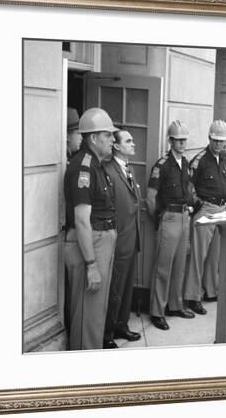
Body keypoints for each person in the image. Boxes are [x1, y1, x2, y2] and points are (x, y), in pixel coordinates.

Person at [63, 107, 118, 350]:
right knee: (87, 314)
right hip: (90, 244)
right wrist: (91, 265)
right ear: (94, 138)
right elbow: (82, 220)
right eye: (108, 135)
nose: (113, 140)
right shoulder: (84, 167)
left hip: (100, 240)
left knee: (96, 313)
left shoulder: (96, 164)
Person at [147, 121, 196, 331]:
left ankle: (175, 305)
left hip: (185, 217)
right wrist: (160, 220)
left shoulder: (185, 163)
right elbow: (150, 198)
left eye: (185, 139)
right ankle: (157, 311)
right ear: (171, 141)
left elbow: (189, 190)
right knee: (163, 268)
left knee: (179, 266)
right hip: (169, 218)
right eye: (179, 139)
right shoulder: (162, 165)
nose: (183, 143)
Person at [184, 120, 226, 314]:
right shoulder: (200, 160)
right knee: (198, 257)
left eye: (222, 141)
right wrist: (198, 205)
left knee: (214, 255)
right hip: (206, 209)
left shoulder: (225, 158)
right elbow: (188, 187)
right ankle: (193, 296)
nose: (219, 144)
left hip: (221, 209)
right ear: (209, 138)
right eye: (215, 140)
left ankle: (211, 290)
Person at [102, 130, 142, 348]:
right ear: (116, 146)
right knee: (114, 288)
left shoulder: (129, 169)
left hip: (132, 238)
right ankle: (107, 333)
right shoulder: (108, 170)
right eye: (128, 141)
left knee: (127, 288)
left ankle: (121, 325)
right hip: (118, 240)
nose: (133, 144)